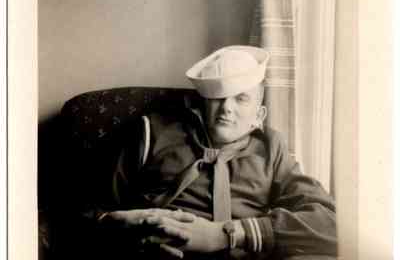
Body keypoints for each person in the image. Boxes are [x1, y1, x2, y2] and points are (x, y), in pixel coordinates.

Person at [80, 46, 337, 260]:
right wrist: (123, 230)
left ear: (259, 115)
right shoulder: (152, 132)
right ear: (202, 102)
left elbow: (329, 222)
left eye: (241, 98)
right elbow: (86, 209)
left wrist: (230, 234)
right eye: (218, 97)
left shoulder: (271, 148)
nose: (227, 108)